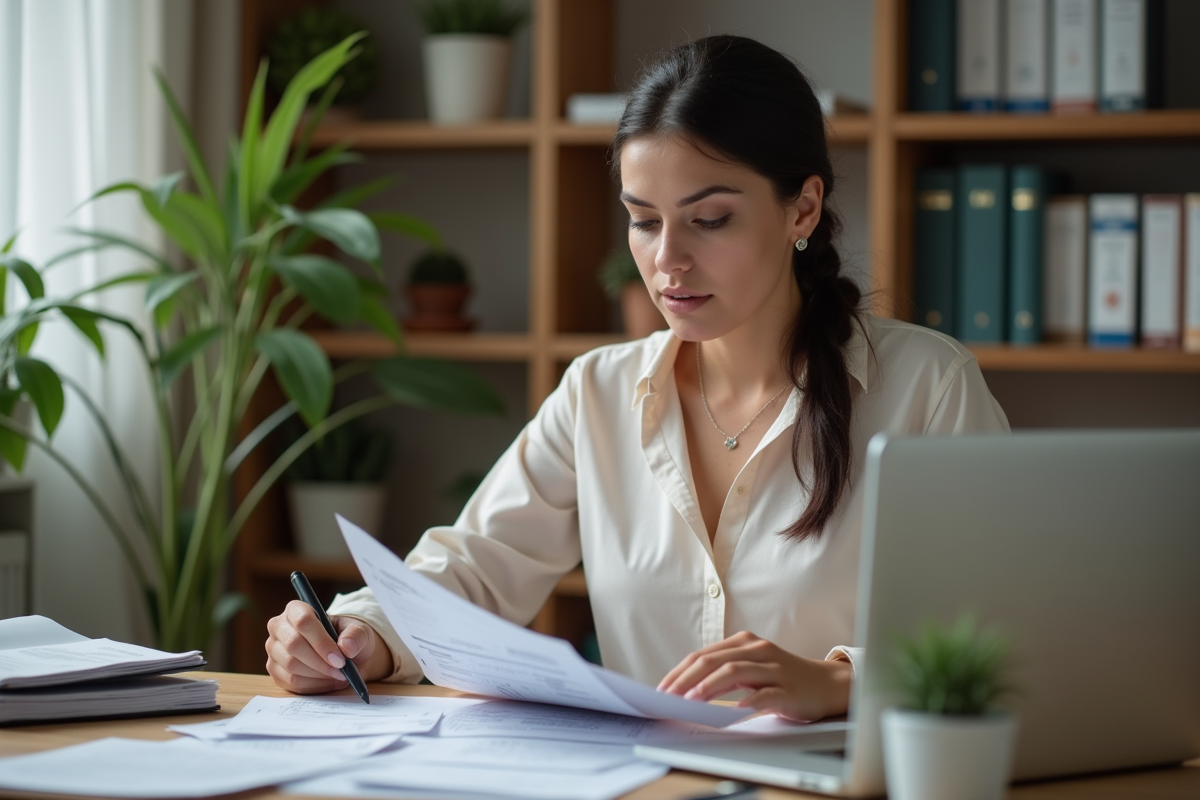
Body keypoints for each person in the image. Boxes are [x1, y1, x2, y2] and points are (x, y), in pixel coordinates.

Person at [265, 35, 1009, 722]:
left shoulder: (928, 388)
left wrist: (839, 682)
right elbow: (474, 566)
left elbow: (1008, 637)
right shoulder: (599, 391)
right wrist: (359, 634)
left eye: (709, 220)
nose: (667, 261)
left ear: (803, 209)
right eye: (644, 221)